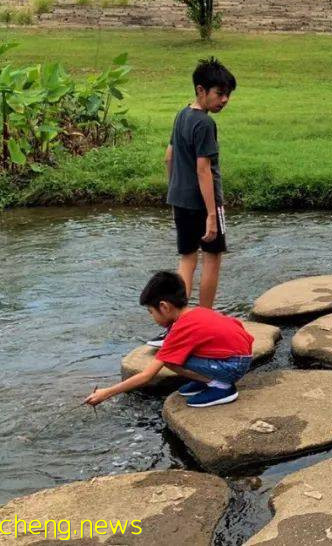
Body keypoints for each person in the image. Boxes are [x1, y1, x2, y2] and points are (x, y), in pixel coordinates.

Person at [153, 57, 236, 349]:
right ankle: (203, 320)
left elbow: (169, 156)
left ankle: (177, 323)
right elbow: (204, 170)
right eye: (219, 93)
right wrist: (212, 215)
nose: (224, 100)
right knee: (212, 258)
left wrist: (175, 189)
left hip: (181, 199)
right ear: (202, 90)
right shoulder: (204, 123)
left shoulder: (182, 114)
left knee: (187, 258)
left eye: (228, 95)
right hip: (205, 204)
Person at [86, 271, 253, 409]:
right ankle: (207, 380)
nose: (152, 317)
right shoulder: (198, 312)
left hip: (233, 366)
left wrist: (106, 393)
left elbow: (146, 376)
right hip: (241, 356)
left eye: (151, 312)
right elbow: (235, 326)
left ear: (164, 307)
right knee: (175, 353)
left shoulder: (180, 328)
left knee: (169, 360)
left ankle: (221, 386)